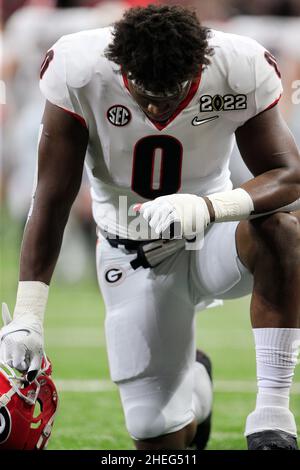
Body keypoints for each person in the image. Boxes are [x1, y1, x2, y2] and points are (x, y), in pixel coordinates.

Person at [1, 4, 300, 450]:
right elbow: (50, 198)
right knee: (158, 439)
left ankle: (272, 413)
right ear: (120, 67)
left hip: (212, 236)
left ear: (199, 68)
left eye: (172, 90)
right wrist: (28, 315)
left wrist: (211, 206)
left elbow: (290, 175)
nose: (158, 103)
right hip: (130, 252)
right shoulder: (80, 69)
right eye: (146, 91)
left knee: (283, 229)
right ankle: (196, 383)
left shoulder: (237, 65)